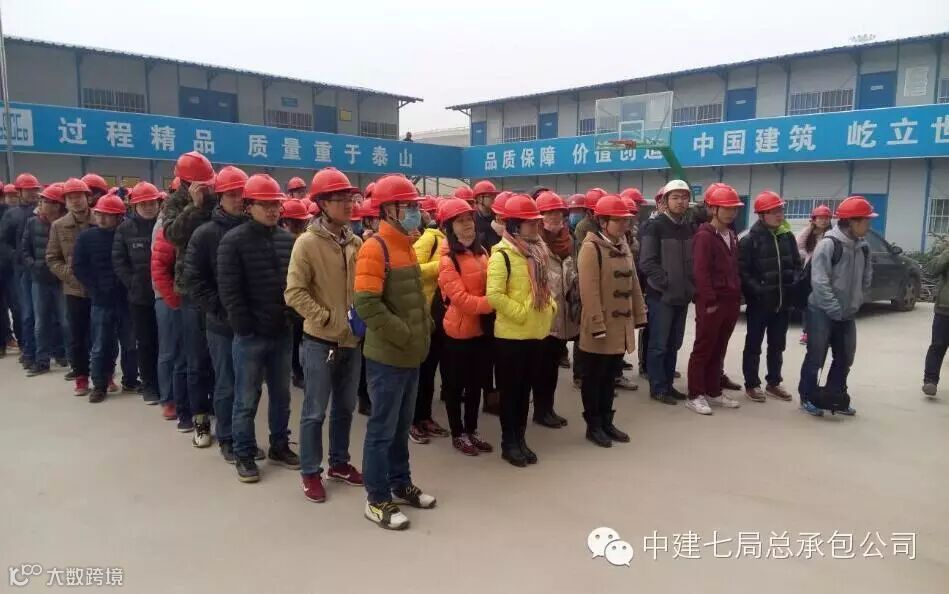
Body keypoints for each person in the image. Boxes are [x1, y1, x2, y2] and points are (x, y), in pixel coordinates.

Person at [355, 174, 436, 530]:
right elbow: (367, 304)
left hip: (410, 354)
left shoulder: (406, 244)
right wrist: (404, 333)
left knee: (401, 426)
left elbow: (413, 297)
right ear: (388, 209)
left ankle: (400, 483)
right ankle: (376, 499)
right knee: (382, 430)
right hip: (388, 357)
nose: (415, 211)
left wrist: (424, 328)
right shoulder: (375, 248)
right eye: (409, 206)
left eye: (415, 206)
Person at [285, 167, 365, 503]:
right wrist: (326, 318)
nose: (348, 204)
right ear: (322, 204)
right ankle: (310, 471)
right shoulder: (306, 243)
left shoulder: (356, 242)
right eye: (340, 199)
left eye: (350, 198)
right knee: (315, 411)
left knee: (345, 408)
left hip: (352, 341)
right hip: (320, 341)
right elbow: (294, 292)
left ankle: (340, 463)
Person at [217, 174, 299, 483]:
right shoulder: (233, 241)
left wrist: (290, 317)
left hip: (281, 331)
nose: (272, 210)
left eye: (275, 204)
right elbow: (230, 290)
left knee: (281, 395)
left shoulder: (287, 240)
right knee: (246, 397)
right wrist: (244, 325)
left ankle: (279, 444)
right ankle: (244, 452)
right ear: (249, 206)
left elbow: (295, 284)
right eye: (265, 204)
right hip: (250, 335)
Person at [182, 166, 251, 462]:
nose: (237, 199)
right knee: (227, 384)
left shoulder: (254, 229)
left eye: (241, 194)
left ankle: (244, 437)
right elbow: (193, 278)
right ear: (219, 196)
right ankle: (227, 438)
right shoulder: (205, 233)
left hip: (250, 322)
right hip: (221, 323)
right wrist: (220, 308)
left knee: (248, 386)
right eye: (231, 194)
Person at [486, 193, 556, 467]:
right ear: (514, 225)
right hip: (511, 337)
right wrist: (522, 314)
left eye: (536, 222)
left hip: (536, 334)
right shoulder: (502, 255)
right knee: (511, 393)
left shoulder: (538, 251)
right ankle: (509, 443)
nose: (536, 226)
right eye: (530, 222)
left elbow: (546, 287)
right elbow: (494, 295)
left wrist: (550, 307)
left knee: (525, 392)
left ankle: (521, 439)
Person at [576, 194, 646, 445]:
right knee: (594, 378)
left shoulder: (623, 244)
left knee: (609, 377)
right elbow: (589, 291)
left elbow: (634, 283)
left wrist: (639, 313)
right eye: (619, 220)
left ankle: (607, 420)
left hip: (620, 326)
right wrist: (597, 324)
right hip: (600, 326)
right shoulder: (591, 248)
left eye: (626, 220)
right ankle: (593, 425)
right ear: (603, 222)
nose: (625, 224)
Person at [798, 196, 874, 417]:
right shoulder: (828, 244)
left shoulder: (863, 246)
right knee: (816, 356)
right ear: (852, 221)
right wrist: (834, 308)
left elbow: (867, 276)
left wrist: (857, 300)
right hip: (821, 311)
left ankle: (835, 397)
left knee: (845, 357)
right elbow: (819, 282)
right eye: (866, 220)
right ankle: (808, 397)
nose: (868, 225)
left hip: (847, 312)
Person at [163, 151, 216, 448]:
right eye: (199, 184)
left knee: (218, 357)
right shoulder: (174, 203)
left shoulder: (216, 199)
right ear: (185, 183)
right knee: (195, 358)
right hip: (190, 288)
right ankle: (199, 419)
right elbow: (173, 235)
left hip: (217, 284)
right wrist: (194, 208)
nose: (205, 189)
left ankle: (218, 409)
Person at [436, 198, 495, 456]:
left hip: (481, 331)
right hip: (458, 332)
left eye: (469, 219)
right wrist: (494, 303)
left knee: (475, 384)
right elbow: (460, 299)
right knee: (455, 386)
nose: (467, 224)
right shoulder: (447, 259)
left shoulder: (482, 252)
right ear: (450, 227)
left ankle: (472, 430)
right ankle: (458, 433)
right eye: (460, 221)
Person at [72, 193, 138, 403]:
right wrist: (95, 287)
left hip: (126, 299)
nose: (101, 218)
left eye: (107, 215)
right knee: (100, 345)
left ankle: (131, 380)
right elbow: (78, 266)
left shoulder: (127, 235)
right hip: (101, 300)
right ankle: (99, 385)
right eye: (99, 214)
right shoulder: (86, 237)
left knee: (130, 343)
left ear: (119, 217)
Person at [738, 191, 803, 403]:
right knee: (753, 345)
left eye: (780, 210)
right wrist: (759, 290)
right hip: (760, 304)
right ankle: (752, 384)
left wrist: (792, 284)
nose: (779, 215)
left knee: (777, 345)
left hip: (782, 303)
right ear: (761, 215)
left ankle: (774, 382)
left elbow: (796, 264)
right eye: (773, 211)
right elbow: (743, 272)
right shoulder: (750, 240)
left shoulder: (787, 237)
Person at [686, 185, 744, 415]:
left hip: (730, 301)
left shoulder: (731, 235)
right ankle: (695, 394)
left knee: (719, 347)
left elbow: (734, 268)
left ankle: (713, 390)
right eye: (726, 208)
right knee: (703, 348)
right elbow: (701, 272)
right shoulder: (704, 236)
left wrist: (737, 295)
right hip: (712, 302)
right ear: (712, 209)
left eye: (734, 208)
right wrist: (709, 301)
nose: (731, 213)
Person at [639, 180, 695, 405]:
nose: (681, 202)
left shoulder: (688, 227)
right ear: (665, 201)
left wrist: (689, 285)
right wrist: (666, 282)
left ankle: (668, 385)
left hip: (682, 296)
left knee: (674, 344)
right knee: (659, 345)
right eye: (675, 197)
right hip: (661, 296)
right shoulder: (655, 226)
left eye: (684, 197)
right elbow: (647, 262)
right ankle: (658, 388)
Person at [112, 182, 161, 404]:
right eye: (144, 204)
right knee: (145, 342)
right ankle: (149, 385)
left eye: (152, 203)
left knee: (166, 343)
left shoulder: (166, 225)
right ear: (135, 205)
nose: (149, 207)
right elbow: (119, 260)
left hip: (165, 295)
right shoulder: (125, 229)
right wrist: (132, 283)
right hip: (140, 297)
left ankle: (166, 384)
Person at [47, 178, 95, 396]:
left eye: (79, 197)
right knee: (77, 335)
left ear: (88, 198)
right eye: (71, 198)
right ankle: (81, 377)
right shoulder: (58, 226)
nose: (75, 201)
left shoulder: (101, 220)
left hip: (99, 289)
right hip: (74, 290)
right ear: (65, 202)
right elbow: (52, 258)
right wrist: (71, 276)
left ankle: (103, 375)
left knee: (102, 334)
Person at [534, 190, 576, 428]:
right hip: (541, 316)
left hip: (562, 315)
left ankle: (548, 409)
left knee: (552, 368)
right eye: (549, 213)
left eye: (559, 213)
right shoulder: (533, 244)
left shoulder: (568, 241)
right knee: (540, 368)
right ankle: (540, 411)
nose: (555, 217)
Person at [410, 196, 449, 443]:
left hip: (442, 315)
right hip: (424, 312)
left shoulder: (457, 243)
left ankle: (425, 417)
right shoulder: (431, 239)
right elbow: (413, 269)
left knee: (431, 371)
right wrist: (441, 265)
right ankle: (412, 421)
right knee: (420, 371)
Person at [20, 182, 69, 376]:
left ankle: (66, 356)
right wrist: (34, 266)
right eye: (41, 201)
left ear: (57, 205)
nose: (41, 204)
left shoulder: (65, 225)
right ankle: (42, 361)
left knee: (64, 321)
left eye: (46, 201)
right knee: (41, 322)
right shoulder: (32, 223)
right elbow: (25, 250)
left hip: (61, 280)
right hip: (39, 280)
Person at [151, 224, 191, 430]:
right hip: (168, 298)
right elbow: (159, 268)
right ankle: (168, 399)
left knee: (189, 353)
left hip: (191, 300)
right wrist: (174, 300)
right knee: (170, 351)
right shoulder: (168, 227)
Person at [1, 173, 43, 370]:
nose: (33, 193)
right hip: (22, 271)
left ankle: (48, 350)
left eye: (35, 190)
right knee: (24, 311)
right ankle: (27, 349)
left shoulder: (42, 210)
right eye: (28, 190)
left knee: (44, 313)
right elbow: (3, 241)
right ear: (19, 192)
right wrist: (15, 256)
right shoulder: (12, 215)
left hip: (41, 268)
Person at [279, 196, 311, 390]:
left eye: (302, 223)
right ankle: (296, 371)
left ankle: (298, 370)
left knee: (299, 337)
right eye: (296, 223)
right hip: (286, 299)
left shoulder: (306, 241)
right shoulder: (281, 242)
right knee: (292, 338)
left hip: (303, 296)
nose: (300, 226)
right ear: (286, 222)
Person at [796, 204, 833, 345]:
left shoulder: (831, 235)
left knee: (825, 303)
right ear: (814, 219)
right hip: (810, 274)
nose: (823, 221)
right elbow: (798, 244)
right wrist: (810, 228)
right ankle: (806, 332)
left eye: (826, 218)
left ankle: (826, 333)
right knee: (809, 304)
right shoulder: (810, 235)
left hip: (826, 274)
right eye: (820, 218)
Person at [923, 239, 949, 399]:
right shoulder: (945, 247)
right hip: (945, 308)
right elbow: (931, 269)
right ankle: (930, 381)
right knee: (938, 346)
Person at [0, 183, 19, 356]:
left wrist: (14, 257)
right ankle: (4, 340)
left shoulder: (10, 214)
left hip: (10, 267)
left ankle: (19, 340)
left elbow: (10, 240)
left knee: (16, 305)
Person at [472, 180, 501, 248]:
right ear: (479, 199)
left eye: (494, 196)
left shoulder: (498, 216)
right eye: (490, 196)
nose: (494, 199)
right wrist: (492, 226)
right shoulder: (472, 219)